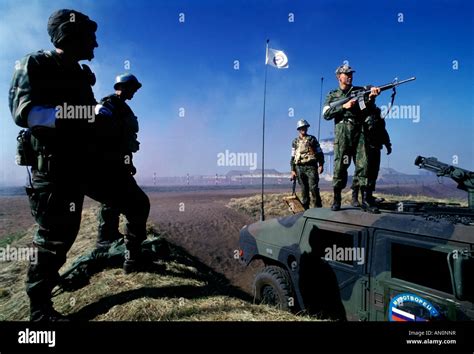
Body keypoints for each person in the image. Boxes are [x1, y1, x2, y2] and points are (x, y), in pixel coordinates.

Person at [9, 9, 151, 321]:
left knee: (137, 203)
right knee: (55, 238)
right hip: (55, 169)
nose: (96, 45)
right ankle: (39, 309)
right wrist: (87, 114)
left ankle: (133, 256)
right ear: (70, 36)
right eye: (91, 38)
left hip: (88, 165)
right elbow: (27, 113)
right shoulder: (36, 63)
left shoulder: (79, 73)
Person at [322, 64, 380, 213]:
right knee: (340, 165)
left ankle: (365, 200)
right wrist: (344, 107)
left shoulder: (359, 91)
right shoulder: (332, 95)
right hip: (343, 132)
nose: (349, 76)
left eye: (351, 74)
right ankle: (337, 200)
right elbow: (326, 114)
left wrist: (371, 98)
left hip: (359, 131)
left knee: (363, 164)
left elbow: (364, 109)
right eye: (346, 74)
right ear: (338, 77)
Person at [95, 73, 142, 250]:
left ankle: (111, 234)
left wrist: (128, 162)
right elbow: (102, 133)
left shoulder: (123, 107)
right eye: (132, 88)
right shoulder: (108, 103)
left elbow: (127, 140)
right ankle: (105, 238)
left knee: (116, 199)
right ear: (121, 87)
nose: (134, 93)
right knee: (111, 199)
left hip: (120, 159)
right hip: (109, 160)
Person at [290, 119, 324, 209]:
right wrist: (292, 170)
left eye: (304, 127)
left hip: (311, 166)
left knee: (313, 188)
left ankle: (317, 208)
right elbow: (293, 157)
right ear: (298, 129)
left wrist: (321, 164)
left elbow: (319, 152)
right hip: (299, 167)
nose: (303, 129)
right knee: (304, 190)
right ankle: (305, 210)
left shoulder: (312, 139)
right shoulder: (295, 142)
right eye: (301, 128)